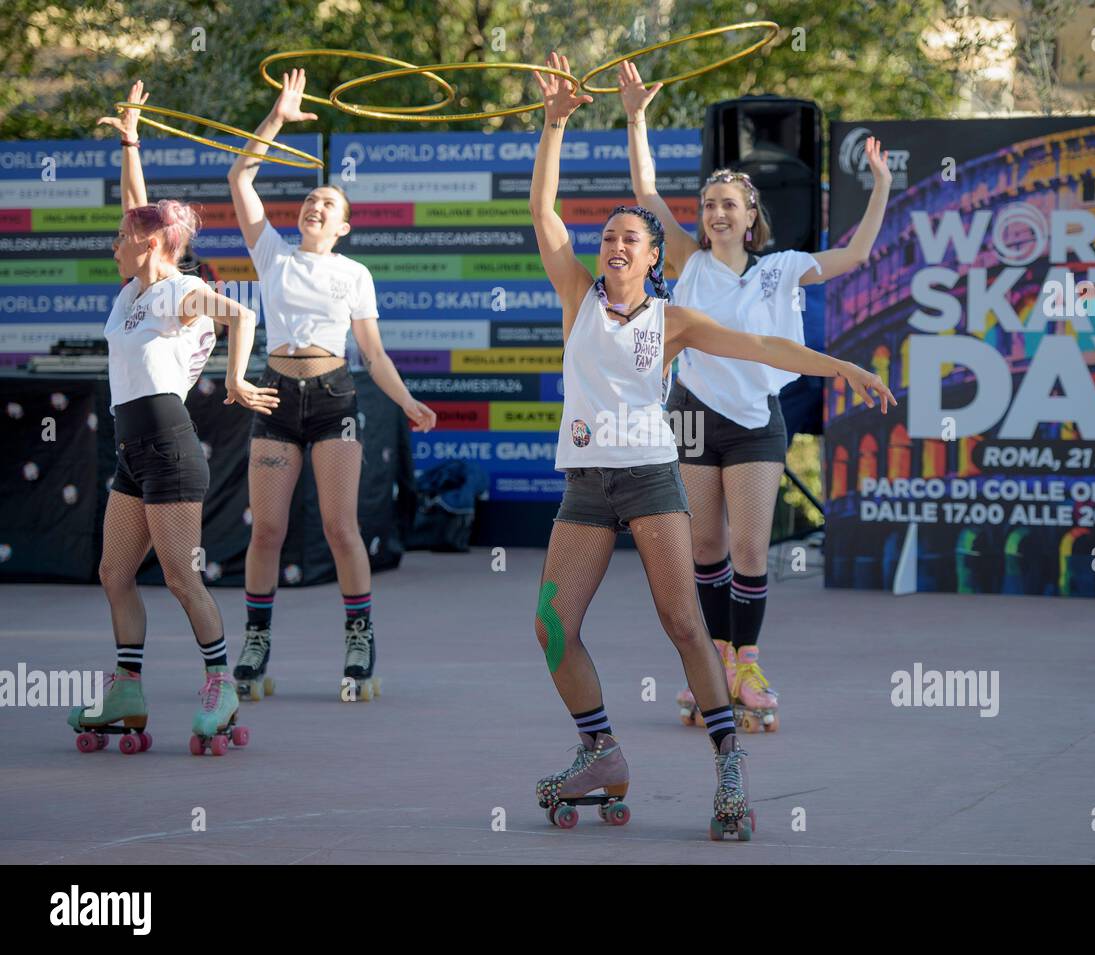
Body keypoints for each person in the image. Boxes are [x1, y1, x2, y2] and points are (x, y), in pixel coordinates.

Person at [528, 54, 895, 837]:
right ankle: (601, 751)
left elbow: (767, 350)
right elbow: (544, 208)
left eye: (632, 237)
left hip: (653, 477)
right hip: (586, 484)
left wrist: (842, 366)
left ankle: (729, 761)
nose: (617, 244)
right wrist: (554, 123)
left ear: (656, 256)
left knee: (686, 622)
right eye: (611, 236)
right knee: (553, 625)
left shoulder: (674, 318)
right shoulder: (576, 297)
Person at [619, 60, 893, 731]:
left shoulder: (781, 271)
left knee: (749, 548)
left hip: (754, 421)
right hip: (690, 416)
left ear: (750, 218)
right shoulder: (683, 259)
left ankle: (748, 659)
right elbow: (645, 188)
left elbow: (855, 254)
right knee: (703, 547)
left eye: (728, 205)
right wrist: (635, 115)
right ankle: (714, 656)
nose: (715, 213)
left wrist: (881, 183)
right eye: (708, 205)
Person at [68, 82, 279, 755]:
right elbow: (140, 206)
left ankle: (221, 679)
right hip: (133, 450)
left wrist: (239, 378)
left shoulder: (179, 290)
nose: (114, 239)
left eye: (124, 235)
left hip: (171, 448)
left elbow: (240, 313)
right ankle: (127, 687)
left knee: (183, 575)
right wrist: (130, 139)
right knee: (114, 572)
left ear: (150, 245)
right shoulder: (135, 289)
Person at [226, 69, 437, 701]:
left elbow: (373, 354)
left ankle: (359, 637)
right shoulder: (272, 255)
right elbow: (240, 178)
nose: (315, 207)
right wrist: (276, 118)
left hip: (334, 399)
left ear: (343, 226)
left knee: (342, 528)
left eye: (329, 206)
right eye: (311, 201)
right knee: (266, 530)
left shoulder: (354, 274)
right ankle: (256, 640)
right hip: (273, 397)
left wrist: (406, 401)